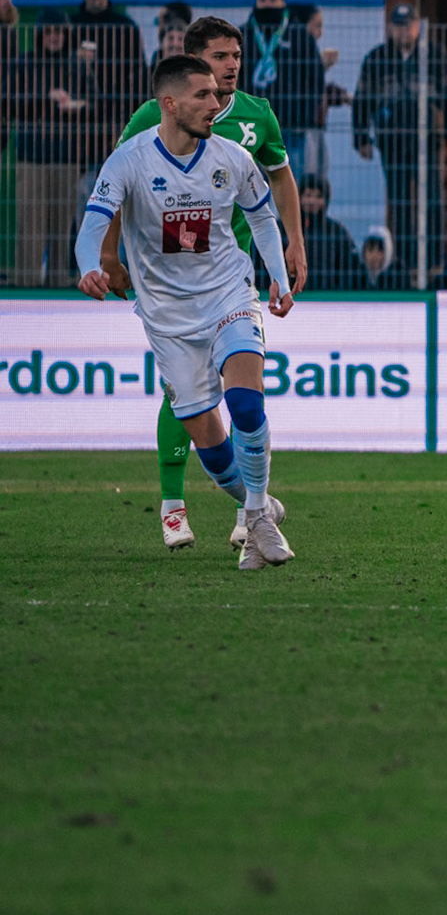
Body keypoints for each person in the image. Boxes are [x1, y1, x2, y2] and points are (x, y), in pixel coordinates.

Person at [74, 54, 296, 570]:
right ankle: (259, 507)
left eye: (217, 95)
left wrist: (278, 279)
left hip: (229, 295)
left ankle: (257, 514)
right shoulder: (129, 160)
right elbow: (93, 223)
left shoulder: (231, 157)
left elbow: (262, 217)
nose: (216, 104)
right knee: (214, 452)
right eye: (203, 95)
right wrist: (90, 266)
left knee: (246, 403)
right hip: (167, 318)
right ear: (169, 104)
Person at [354, 4, 447, 279]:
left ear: (418, 26)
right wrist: (361, 138)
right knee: (399, 200)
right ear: (391, 28)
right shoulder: (377, 58)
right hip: (391, 139)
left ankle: (434, 262)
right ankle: (404, 264)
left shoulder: (435, 55)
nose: (404, 30)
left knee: (432, 201)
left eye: (409, 24)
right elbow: (362, 98)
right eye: (399, 25)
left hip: (428, 140)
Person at [8, 10, 89, 287]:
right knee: (30, 227)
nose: (54, 37)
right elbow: (9, 104)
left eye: (59, 32)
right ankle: (25, 284)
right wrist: (45, 99)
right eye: (49, 32)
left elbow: (95, 104)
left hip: (66, 157)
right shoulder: (24, 64)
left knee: (62, 228)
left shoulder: (77, 65)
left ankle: (58, 283)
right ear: (40, 34)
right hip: (31, 156)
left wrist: (75, 105)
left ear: (66, 35)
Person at [239, 0, 325, 182]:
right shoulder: (243, 35)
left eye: (273, 0)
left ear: (283, 3)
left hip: (291, 124)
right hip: (251, 126)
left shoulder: (299, 34)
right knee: (251, 187)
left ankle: (289, 216)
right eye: (263, 0)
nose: (267, 4)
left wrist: (305, 116)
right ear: (255, 3)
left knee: (290, 184)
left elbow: (315, 78)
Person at [67, 0, 144, 167]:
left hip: (116, 117)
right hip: (78, 122)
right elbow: (56, 70)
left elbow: (138, 73)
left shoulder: (126, 27)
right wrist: (75, 60)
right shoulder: (70, 26)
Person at [292, 173, 360, 292]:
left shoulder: (337, 232)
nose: (312, 201)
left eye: (318, 197)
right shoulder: (285, 228)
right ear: (299, 197)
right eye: (308, 195)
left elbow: (350, 269)